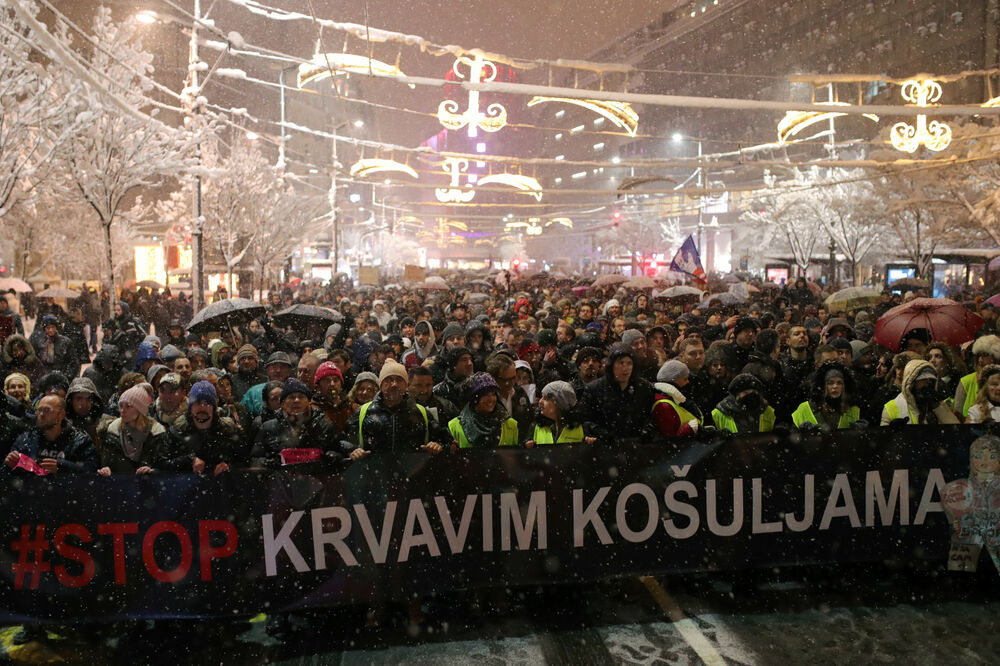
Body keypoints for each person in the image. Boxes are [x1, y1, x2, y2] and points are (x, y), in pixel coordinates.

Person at [345, 361, 450, 459]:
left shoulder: (420, 412)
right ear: (380, 385)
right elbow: (344, 441)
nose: (394, 384)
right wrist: (352, 450)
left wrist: (438, 445)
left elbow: (446, 440)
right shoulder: (364, 412)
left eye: (399, 380)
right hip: (374, 475)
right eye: (389, 379)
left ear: (406, 385)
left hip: (413, 475)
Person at [252, 378, 341, 470]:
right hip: (281, 481)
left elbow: (338, 453)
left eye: (301, 396)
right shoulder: (268, 428)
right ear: (282, 403)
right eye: (291, 397)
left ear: (309, 402)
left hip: (317, 480)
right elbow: (255, 459)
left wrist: (331, 457)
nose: (296, 400)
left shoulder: (324, 425)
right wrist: (269, 464)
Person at [581, 343, 657, 443]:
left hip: (636, 445)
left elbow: (650, 415)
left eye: (629, 363)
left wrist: (647, 430)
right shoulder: (594, 389)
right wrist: (601, 433)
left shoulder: (644, 388)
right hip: (605, 446)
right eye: (621, 363)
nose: (625, 368)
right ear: (611, 365)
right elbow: (586, 419)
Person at [5, 394, 99, 475]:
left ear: (62, 415)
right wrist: (9, 465)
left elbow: (92, 472)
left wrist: (62, 467)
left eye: (47, 410)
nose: (41, 414)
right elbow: (6, 475)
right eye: (39, 410)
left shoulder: (80, 441)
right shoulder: (26, 439)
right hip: (33, 493)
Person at [163, 381, 237, 475]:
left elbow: (244, 460)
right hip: (186, 486)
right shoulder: (177, 431)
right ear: (191, 407)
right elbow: (162, 463)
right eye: (197, 403)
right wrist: (190, 460)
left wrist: (228, 465)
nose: (202, 407)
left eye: (207, 403)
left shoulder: (228, 431)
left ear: (213, 408)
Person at [98, 384, 168, 476]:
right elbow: (108, 463)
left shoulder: (156, 433)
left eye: (128, 406)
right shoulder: (114, 431)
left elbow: (164, 467)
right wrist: (106, 469)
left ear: (140, 410)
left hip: (148, 487)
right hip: (121, 486)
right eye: (121, 406)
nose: (123, 410)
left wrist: (152, 471)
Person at [448, 372, 519, 448]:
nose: (491, 399)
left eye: (493, 394)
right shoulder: (454, 426)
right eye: (485, 395)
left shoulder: (511, 425)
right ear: (474, 399)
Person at [881, 359, 959, 426]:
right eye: (924, 380)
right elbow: (884, 440)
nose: (928, 383)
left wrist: (938, 406)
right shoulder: (891, 407)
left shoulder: (939, 404)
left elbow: (955, 430)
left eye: (931, 380)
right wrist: (894, 431)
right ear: (911, 382)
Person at [791, 362, 861, 430]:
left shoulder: (853, 410)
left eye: (839, 383)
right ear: (822, 386)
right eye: (830, 383)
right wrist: (801, 432)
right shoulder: (804, 408)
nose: (835, 386)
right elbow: (792, 437)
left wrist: (861, 430)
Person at [652, 360, 702, 437]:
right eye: (685, 379)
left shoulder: (677, 398)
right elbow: (669, 438)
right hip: (683, 447)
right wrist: (691, 428)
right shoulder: (664, 404)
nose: (688, 382)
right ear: (674, 380)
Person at [711, 373, 776, 433]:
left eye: (754, 392)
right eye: (746, 393)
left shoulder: (768, 411)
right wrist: (718, 435)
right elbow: (708, 438)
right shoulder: (718, 414)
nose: (751, 396)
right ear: (736, 395)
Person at [955, 335, 1000, 419]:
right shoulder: (966, 381)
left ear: (996, 357)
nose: (980, 360)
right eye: (978, 355)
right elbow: (957, 417)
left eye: (985, 355)